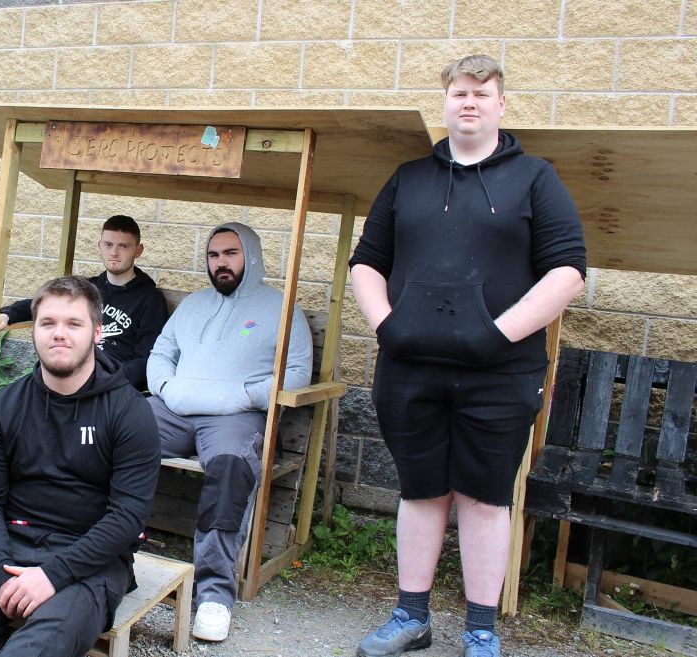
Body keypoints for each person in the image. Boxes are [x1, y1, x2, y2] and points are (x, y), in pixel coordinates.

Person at [349, 54, 586, 657]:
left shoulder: (536, 178)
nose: (470, 102)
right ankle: (411, 618)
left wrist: (496, 335)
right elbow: (367, 263)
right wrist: (387, 325)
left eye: (482, 93)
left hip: (501, 373)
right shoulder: (408, 178)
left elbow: (567, 271)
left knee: (485, 497)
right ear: (446, 103)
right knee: (421, 490)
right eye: (459, 92)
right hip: (411, 369)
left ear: (502, 105)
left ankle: (481, 628)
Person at [0, 276, 161, 657]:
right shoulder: (6, 407)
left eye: (74, 324)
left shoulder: (129, 412)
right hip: (9, 545)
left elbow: (127, 517)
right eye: (48, 323)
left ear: (96, 333)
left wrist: (53, 575)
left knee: (37, 648)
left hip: (91, 559)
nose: (60, 334)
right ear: (34, 329)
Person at [146, 222, 312, 642]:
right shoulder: (194, 304)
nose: (220, 263)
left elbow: (296, 373)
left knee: (232, 467)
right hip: (173, 408)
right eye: (213, 255)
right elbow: (162, 352)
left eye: (230, 254)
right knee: (116, 435)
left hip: (233, 417)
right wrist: (165, 387)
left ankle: (214, 593)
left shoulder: (281, 306)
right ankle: (91, 545)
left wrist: (243, 394)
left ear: (251, 256)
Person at [0, 214, 167, 390]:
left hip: (110, 384)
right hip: (67, 372)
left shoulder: (150, 299)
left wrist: (107, 378)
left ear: (138, 250)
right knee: (15, 400)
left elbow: (146, 360)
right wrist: (7, 313)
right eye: (108, 245)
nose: (114, 253)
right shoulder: (87, 288)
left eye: (123, 246)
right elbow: (45, 303)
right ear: (99, 246)